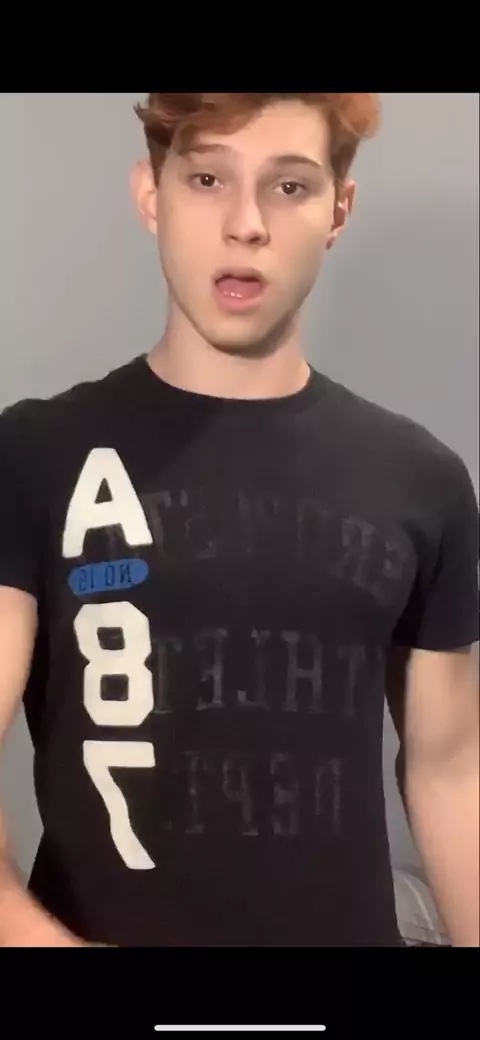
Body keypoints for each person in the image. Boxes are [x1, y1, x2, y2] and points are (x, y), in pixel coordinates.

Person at [0, 92, 478, 949]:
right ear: (152, 194)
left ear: (339, 210)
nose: (246, 224)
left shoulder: (423, 480)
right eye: (208, 178)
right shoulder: (33, 455)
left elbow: (451, 770)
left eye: (290, 187)